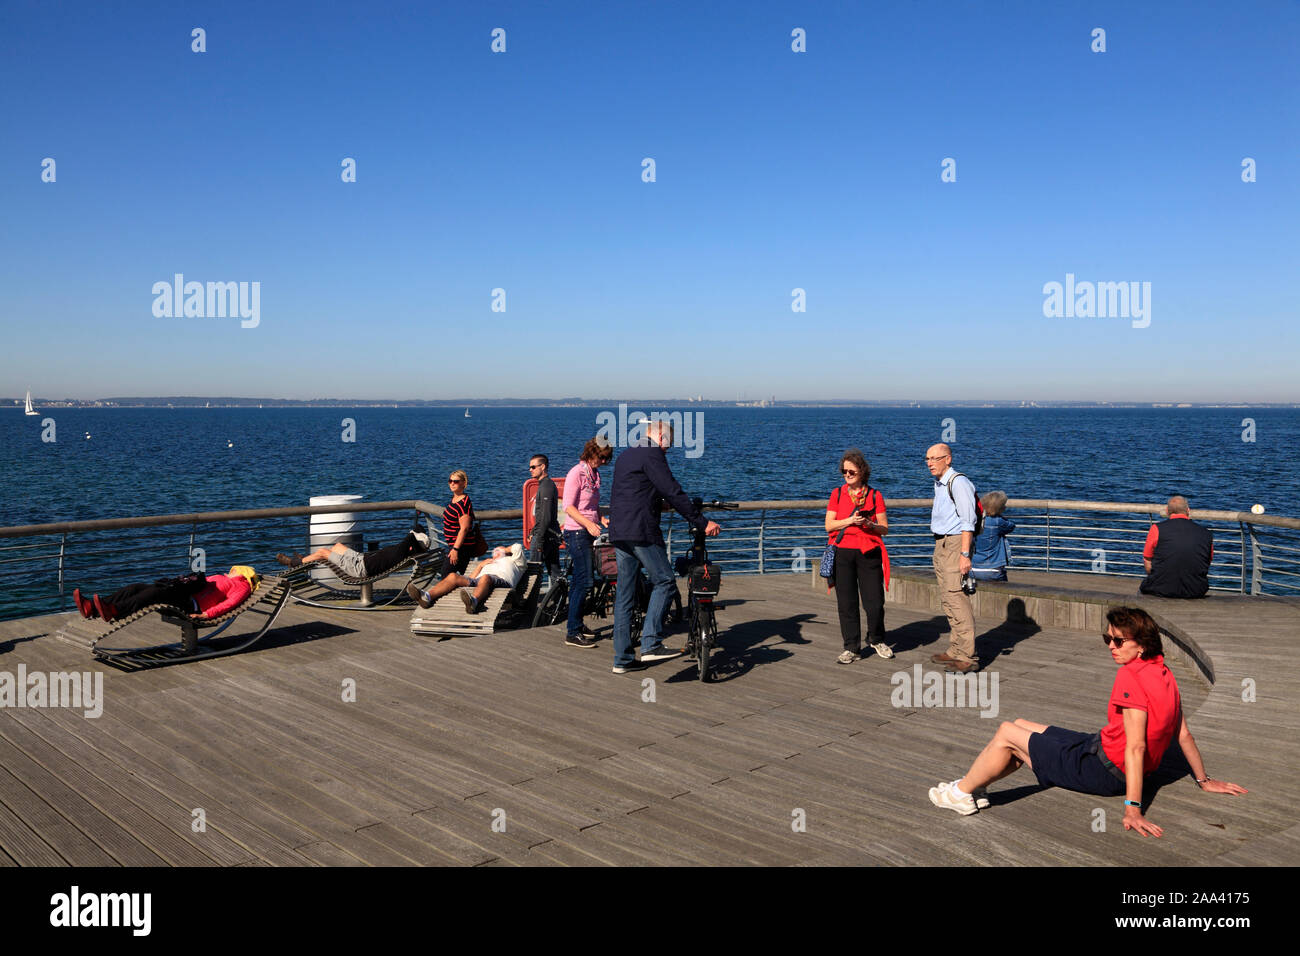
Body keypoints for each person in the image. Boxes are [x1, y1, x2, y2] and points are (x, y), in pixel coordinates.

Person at [928, 606, 1247, 835]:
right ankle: (977, 786)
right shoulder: (1163, 673)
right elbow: (1184, 735)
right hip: (1099, 747)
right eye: (1107, 639)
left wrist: (1133, 808)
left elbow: (1135, 749)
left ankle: (961, 794)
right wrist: (1203, 780)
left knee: (1007, 733)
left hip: (1104, 772)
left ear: (1143, 645)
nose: (1111, 647)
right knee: (1023, 724)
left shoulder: (1130, 679)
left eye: (1119, 642)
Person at [608, 419, 720, 674]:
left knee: (625, 595)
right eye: (668, 445)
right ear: (661, 439)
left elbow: (632, 492)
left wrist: (657, 502)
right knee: (665, 581)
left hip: (619, 530)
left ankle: (622, 659)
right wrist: (701, 522)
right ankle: (651, 645)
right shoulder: (652, 453)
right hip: (641, 531)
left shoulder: (627, 455)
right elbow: (673, 491)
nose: (667, 450)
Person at [825, 448, 893, 664]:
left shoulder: (875, 495)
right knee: (846, 603)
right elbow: (829, 525)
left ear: (862, 472)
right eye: (844, 472)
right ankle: (851, 647)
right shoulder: (837, 493)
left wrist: (870, 524)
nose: (847, 475)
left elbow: (884, 528)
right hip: (843, 552)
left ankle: (876, 638)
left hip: (869, 552)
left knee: (874, 602)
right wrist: (849, 521)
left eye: (851, 472)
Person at [926, 443, 978, 673]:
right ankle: (956, 650)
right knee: (948, 597)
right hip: (943, 542)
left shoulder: (959, 483)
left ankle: (968, 655)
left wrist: (964, 555)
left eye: (935, 458)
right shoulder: (941, 484)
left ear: (948, 459)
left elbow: (968, 521)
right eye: (927, 459)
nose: (929, 463)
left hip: (956, 542)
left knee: (957, 598)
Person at [561, 437, 612, 649]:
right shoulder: (576, 473)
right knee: (585, 581)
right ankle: (572, 631)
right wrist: (588, 525)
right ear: (590, 454)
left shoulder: (594, 474)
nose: (602, 462)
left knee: (579, 581)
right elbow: (569, 507)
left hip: (589, 530)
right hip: (577, 532)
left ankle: (576, 624)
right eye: (600, 457)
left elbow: (591, 504)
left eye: (606, 459)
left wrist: (601, 519)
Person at [73, 567, 259, 623]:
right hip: (185, 594)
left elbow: (230, 604)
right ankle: (94, 608)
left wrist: (206, 615)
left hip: (192, 605)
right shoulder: (226, 578)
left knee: (154, 593)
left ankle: (115, 610)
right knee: (136, 587)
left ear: (243, 572)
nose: (231, 570)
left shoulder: (242, 586)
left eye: (235, 569)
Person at [408, 543, 527, 614]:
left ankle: (473, 602)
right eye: (495, 552)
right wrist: (481, 565)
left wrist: (503, 550)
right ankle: (426, 597)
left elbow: (518, 547)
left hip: (503, 582)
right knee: (453, 576)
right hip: (482, 581)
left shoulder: (516, 562)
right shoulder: (488, 563)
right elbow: (470, 579)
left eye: (498, 551)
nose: (495, 553)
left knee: (486, 577)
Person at [1140, 495, 1213, 599]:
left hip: (1159, 588)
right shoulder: (1206, 533)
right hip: (1196, 590)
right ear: (1188, 510)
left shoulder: (1156, 529)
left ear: (1167, 511)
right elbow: (1207, 561)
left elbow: (1147, 559)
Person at [277, 530, 431, 577]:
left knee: (323, 552)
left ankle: (295, 563)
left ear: (413, 545)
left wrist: (415, 533)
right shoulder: (406, 552)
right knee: (337, 546)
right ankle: (304, 560)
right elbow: (412, 537)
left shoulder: (403, 551)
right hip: (361, 559)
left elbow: (410, 535)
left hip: (359, 568)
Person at [528, 454, 563, 583]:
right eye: (530, 467)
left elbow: (546, 516)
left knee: (533, 573)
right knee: (555, 572)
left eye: (533, 467)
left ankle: (533, 602)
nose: (530, 469)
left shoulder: (546, 486)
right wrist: (533, 532)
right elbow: (542, 515)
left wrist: (539, 540)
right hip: (549, 535)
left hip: (544, 537)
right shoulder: (545, 485)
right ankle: (557, 599)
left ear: (542, 467)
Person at [440, 469, 479, 579]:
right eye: (450, 481)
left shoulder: (463, 504)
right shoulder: (455, 498)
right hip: (454, 545)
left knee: (445, 575)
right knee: (456, 574)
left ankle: (439, 596)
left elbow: (465, 528)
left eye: (456, 481)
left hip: (461, 547)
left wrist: (455, 549)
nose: (452, 483)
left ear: (463, 483)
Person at [970, 490, 1015, 582]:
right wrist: (1000, 516)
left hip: (972, 568)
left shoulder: (973, 519)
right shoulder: (998, 521)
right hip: (993, 569)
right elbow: (1011, 526)